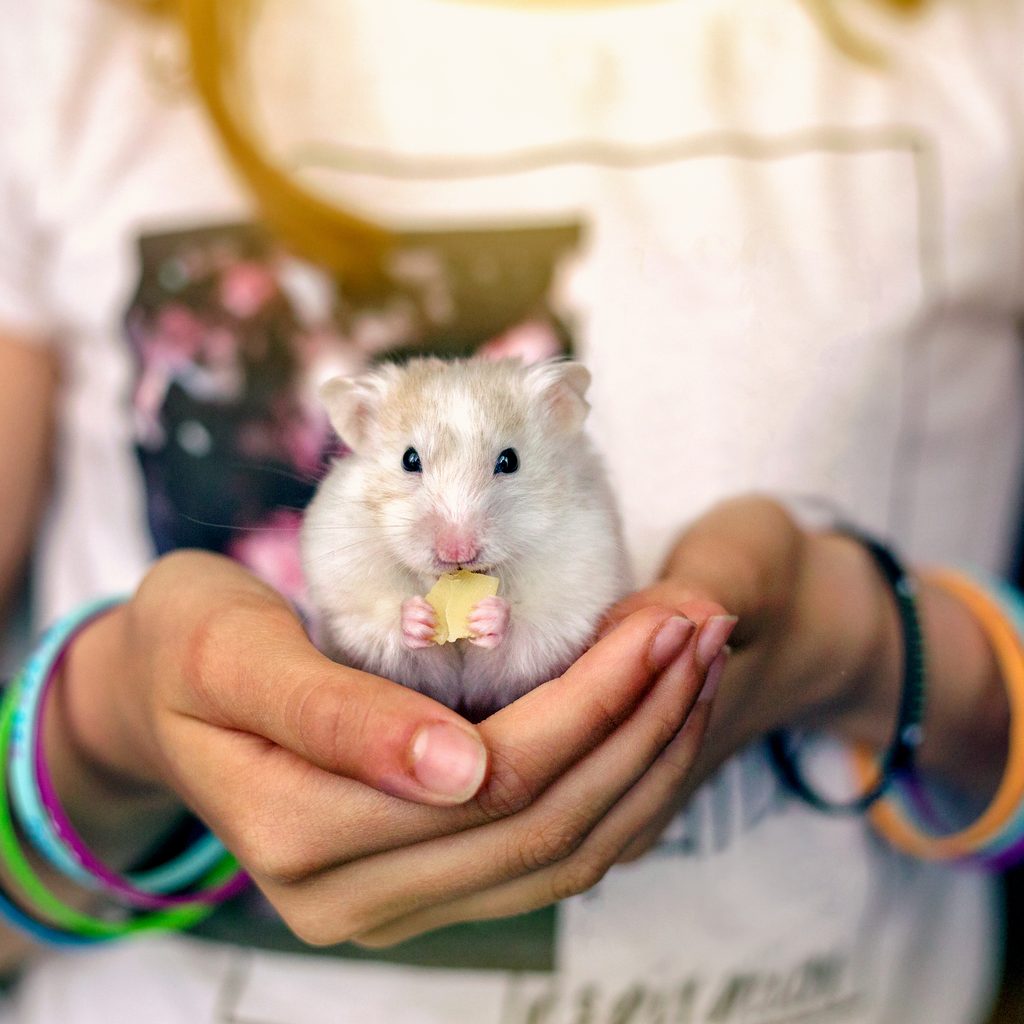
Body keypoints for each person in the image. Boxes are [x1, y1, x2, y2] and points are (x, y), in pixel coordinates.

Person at [0, 0, 1020, 1020]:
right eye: (407, 468)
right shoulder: (73, 46)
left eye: (500, 468)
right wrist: (101, 727)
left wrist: (863, 644)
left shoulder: (983, 51)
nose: (456, 534)